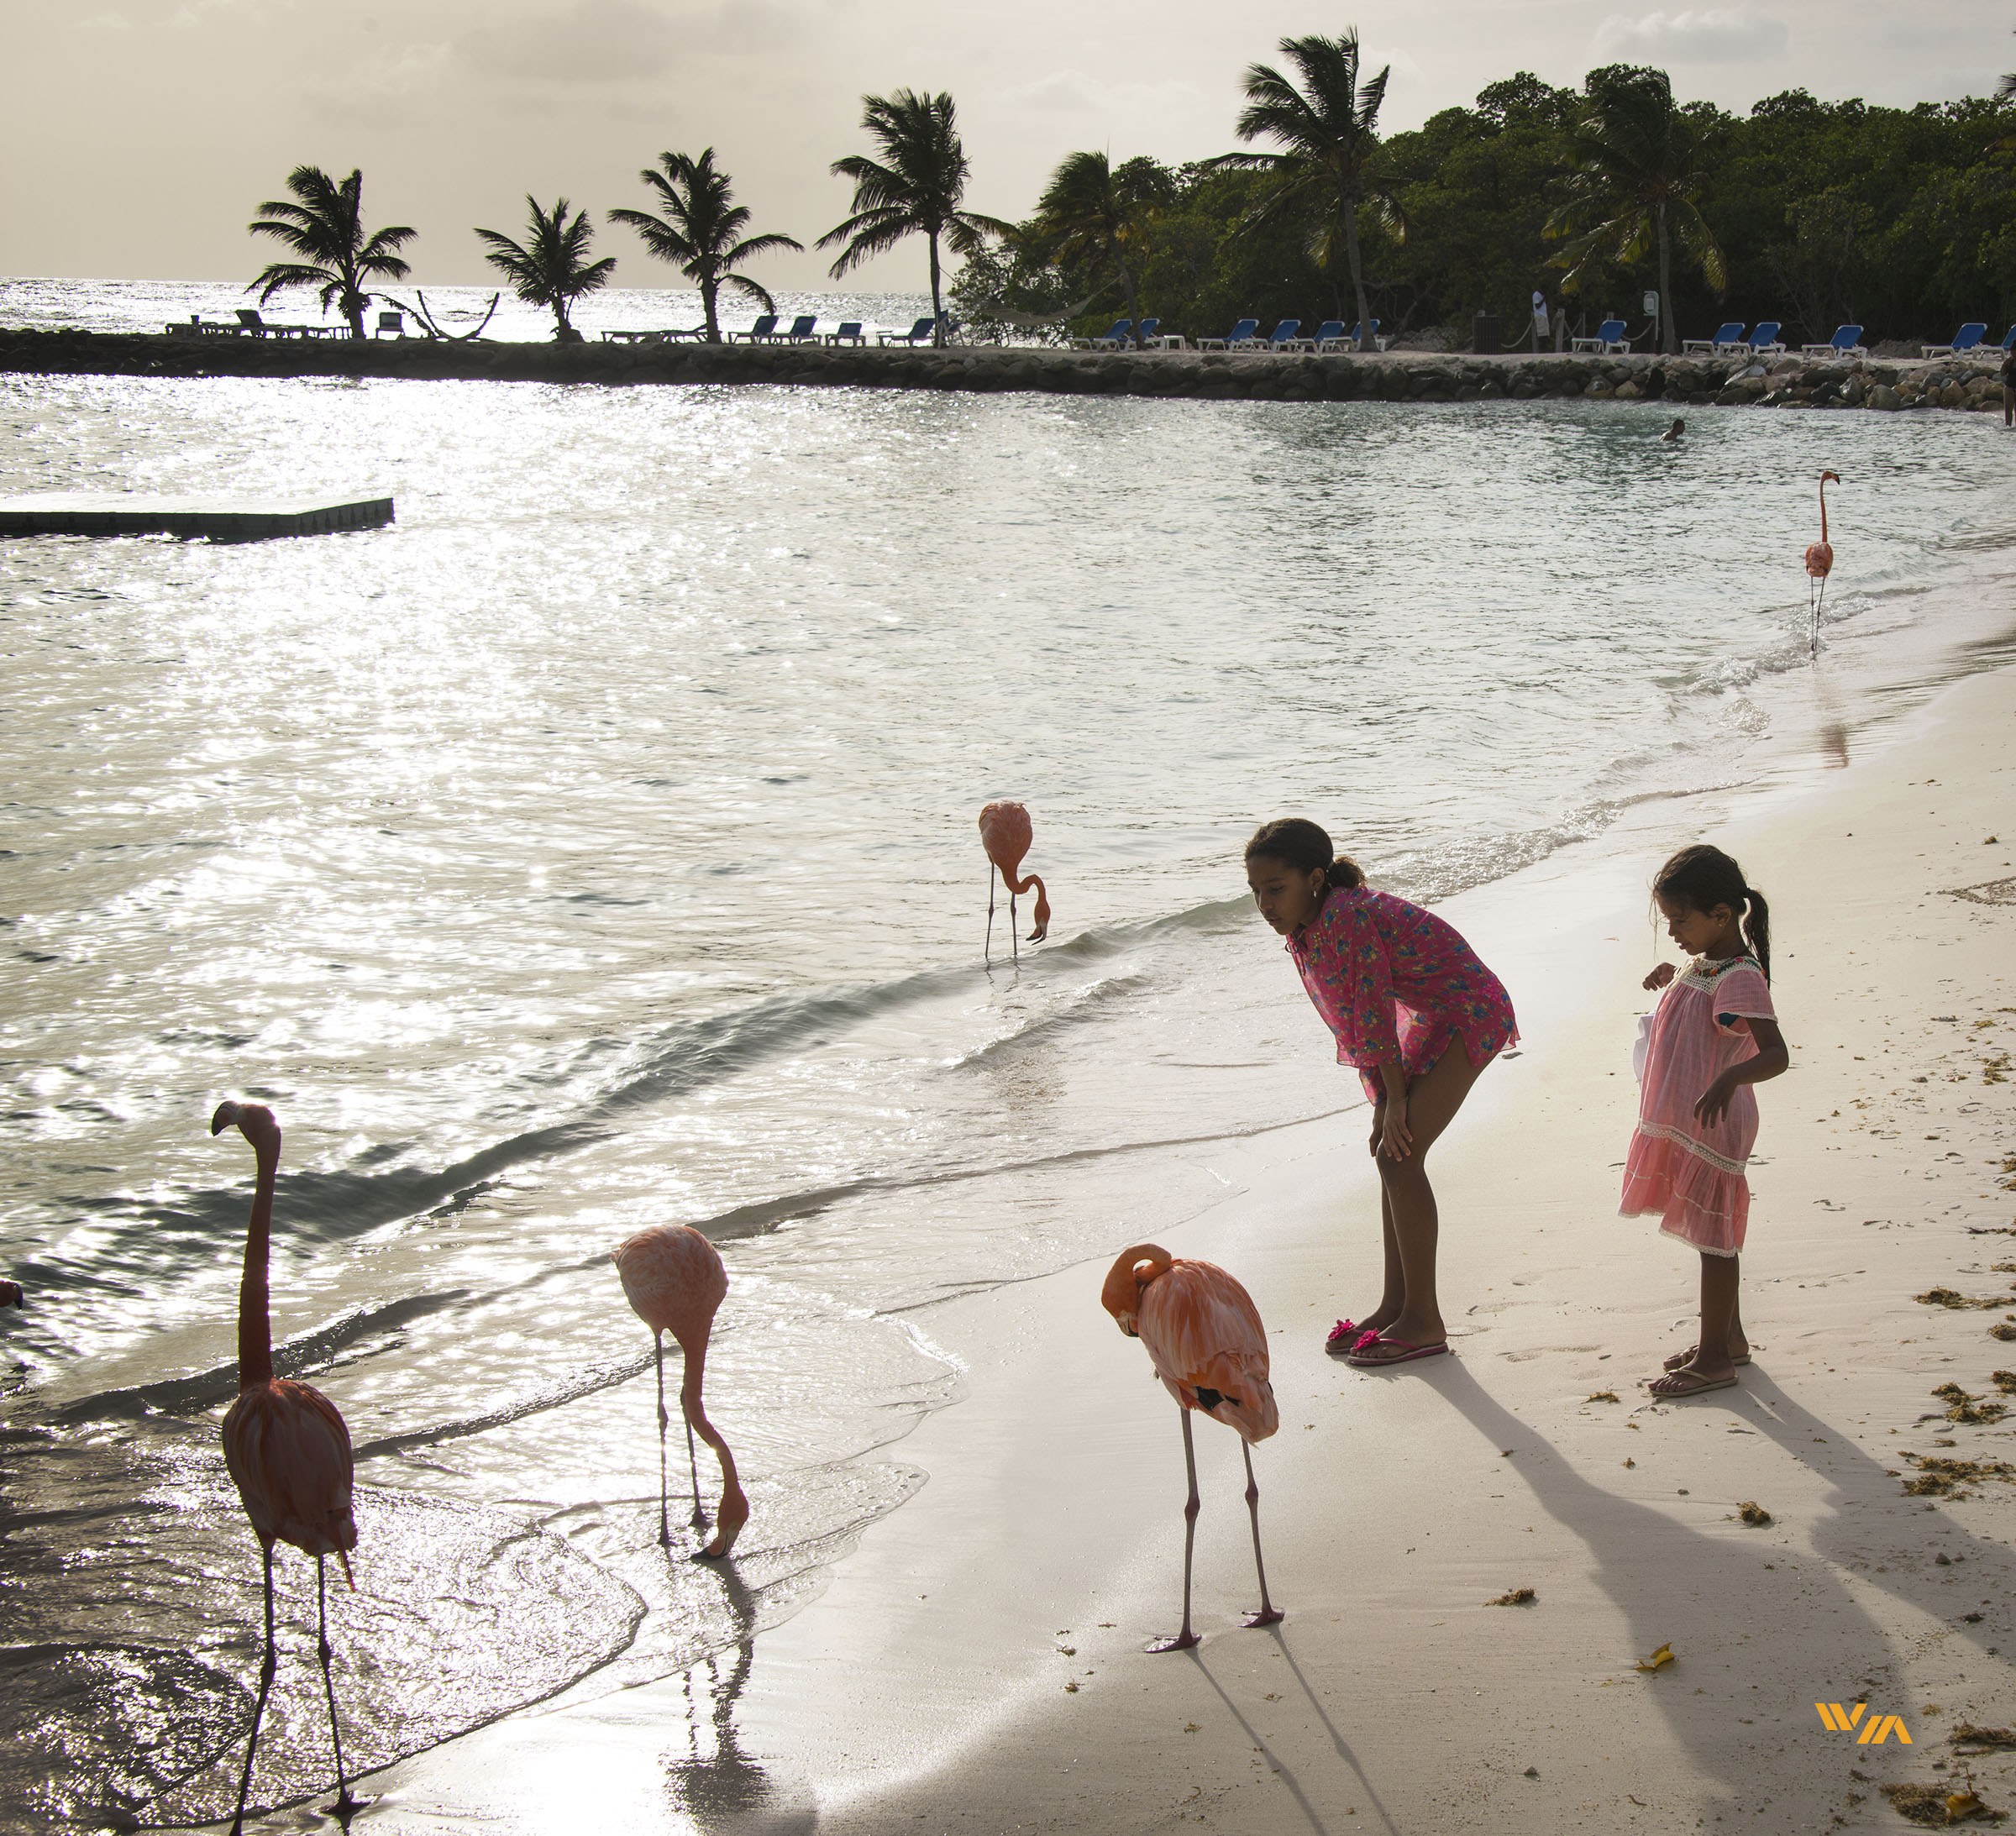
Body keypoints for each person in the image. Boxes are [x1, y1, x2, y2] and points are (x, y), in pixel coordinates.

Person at [1245, 819, 1517, 1367]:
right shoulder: (1309, 925)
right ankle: (1397, 1306)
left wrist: (1395, 1102)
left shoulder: (1344, 916)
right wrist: (1384, 1104)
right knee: (1390, 1154)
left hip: (1470, 1011)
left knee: (1401, 1156)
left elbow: (1372, 1012)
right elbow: (1353, 1020)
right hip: (1438, 1015)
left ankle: (1424, 1321)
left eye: (1275, 889)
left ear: (1315, 879)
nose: (1265, 905)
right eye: (1255, 892)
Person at [1622, 845, 1788, 1399]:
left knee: (1716, 1241)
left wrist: (1730, 1078)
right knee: (1708, 1236)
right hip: (1696, 1118)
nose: (1672, 931)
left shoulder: (1740, 975)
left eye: (1679, 920)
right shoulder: (1709, 962)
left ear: (1720, 915)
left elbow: (1776, 1054)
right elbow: (1709, 1012)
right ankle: (1729, 1339)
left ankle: (1715, 1359)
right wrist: (1675, 978)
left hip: (1716, 1120)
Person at [2002, 344, 2015, 428]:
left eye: (2014, 353)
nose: (2012, 355)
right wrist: (2005, 364)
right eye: (2011, 353)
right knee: (2008, 409)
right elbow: (2002, 373)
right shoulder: (2010, 362)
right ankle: (2008, 427)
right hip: (2009, 387)